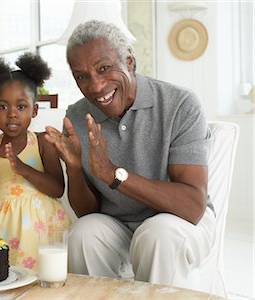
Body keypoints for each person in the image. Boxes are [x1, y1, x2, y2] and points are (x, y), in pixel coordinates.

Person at [44, 20, 214, 289]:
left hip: (180, 222)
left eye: (104, 68)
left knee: (157, 235)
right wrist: (75, 169)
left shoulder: (180, 104)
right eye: (82, 76)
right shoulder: (77, 116)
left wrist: (113, 175)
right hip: (118, 223)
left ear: (129, 61)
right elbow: (89, 212)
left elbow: (192, 206)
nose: (96, 86)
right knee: (83, 234)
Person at [0, 53, 70, 271]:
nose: (12, 114)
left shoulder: (42, 141)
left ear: (34, 110)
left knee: (41, 282)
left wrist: (23, 169)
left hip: (42, 229)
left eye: (21, 106)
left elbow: (57, 189)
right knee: (5, 278)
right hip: (2, 227)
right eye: (2, 107)